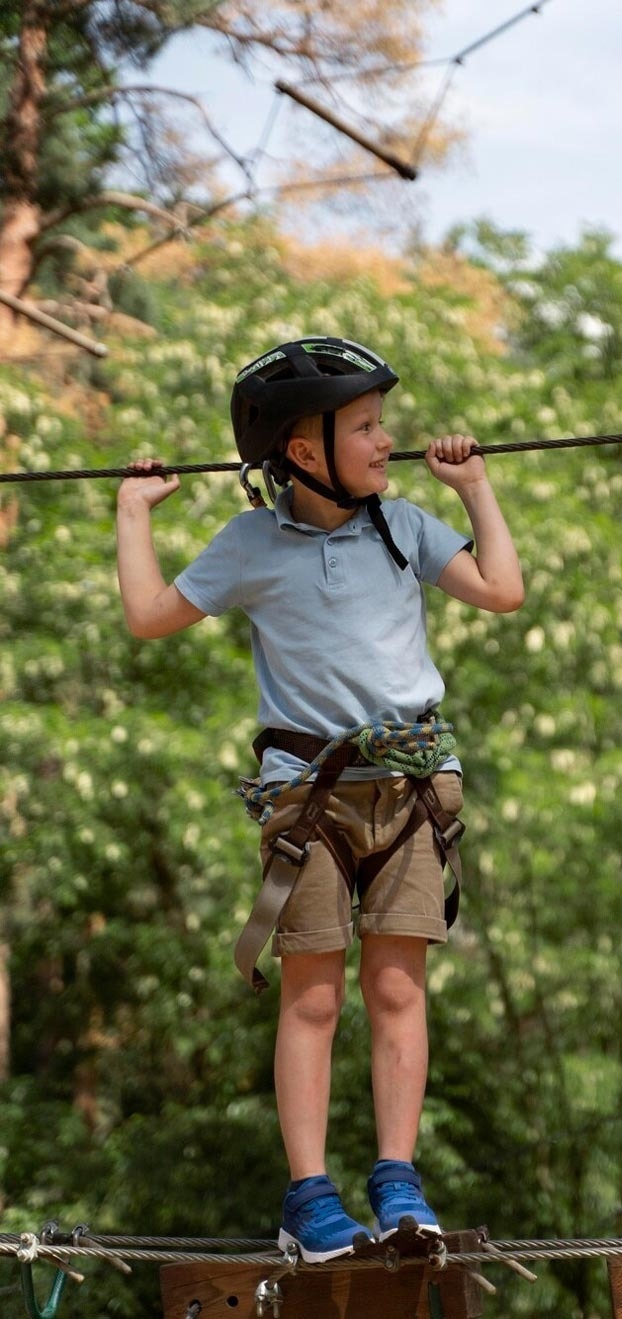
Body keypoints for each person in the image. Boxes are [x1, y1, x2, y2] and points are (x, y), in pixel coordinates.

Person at [115, 336, 524, 1263]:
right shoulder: (252, 544)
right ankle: (308, 1193)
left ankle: (397, 1177)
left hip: (414, 787)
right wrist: (134, 511)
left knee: (396, 986)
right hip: (308, 799)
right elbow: (149, 616)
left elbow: (502, 590)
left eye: (385, 424)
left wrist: (475, 491)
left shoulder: (404, 524)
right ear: (304, 453)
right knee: (313, 996)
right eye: (368, 427)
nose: (388, 441)